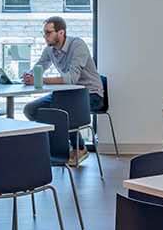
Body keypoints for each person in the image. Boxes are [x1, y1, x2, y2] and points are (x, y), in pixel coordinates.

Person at [22, 16, 103, 146]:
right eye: (44, 33)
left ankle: (77, 148)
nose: (45, 36)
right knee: (30, 109)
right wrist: (29, 75)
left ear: (61, 32)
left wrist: (39, 80)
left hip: (91, 94)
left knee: (59, 112)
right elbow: (40, 66)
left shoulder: (78, 45)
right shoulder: (49, 49)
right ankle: (56, 148)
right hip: (66, 94)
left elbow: (71, 79)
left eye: (48, 32)